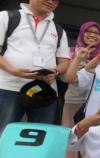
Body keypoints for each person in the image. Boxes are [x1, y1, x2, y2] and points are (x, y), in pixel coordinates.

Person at [0, 0, 70, 134]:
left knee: (40, 136)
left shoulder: (58, 29)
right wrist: (12, 70)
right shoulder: (7, 17)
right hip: (8, 87)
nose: (51, 2)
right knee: (3, 133)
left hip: (44, 90)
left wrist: (55, 72)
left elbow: (64, 63)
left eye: (55, 0)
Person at [59, 21, 100, 158]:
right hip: (73, 103)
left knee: (90, 145)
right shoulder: (71, 52)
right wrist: (79, 58)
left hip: (93, 106)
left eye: (97, 33)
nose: (93, 35)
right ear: (82, 33)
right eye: (89, 31)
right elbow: (66, 78)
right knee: (71, 142)